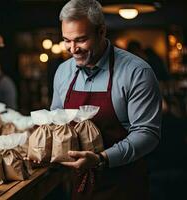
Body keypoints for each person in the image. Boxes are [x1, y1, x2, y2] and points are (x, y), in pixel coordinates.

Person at [51, 0, 162, 199]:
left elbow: (147, 133)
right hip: (79, 185)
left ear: (101, 31)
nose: (72, 48)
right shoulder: (62, 72)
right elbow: (57, 121)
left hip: (124, 185)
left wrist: (101, 159)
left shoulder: (136, 72)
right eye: (67, 40)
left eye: (81, 39)